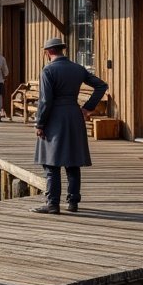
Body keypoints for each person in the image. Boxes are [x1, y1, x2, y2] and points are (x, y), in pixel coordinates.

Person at [32, 37, 108, 214]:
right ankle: (73, 202)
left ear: (48, 52)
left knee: (51, 163)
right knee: (73, 161)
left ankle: (52, 204)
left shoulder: (48, 70)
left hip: (54, 118)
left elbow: (45, 101)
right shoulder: (77, 68)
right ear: (62, 50)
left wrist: (40, 123)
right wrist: (88, 107)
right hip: (74, 115)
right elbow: (101, 86)